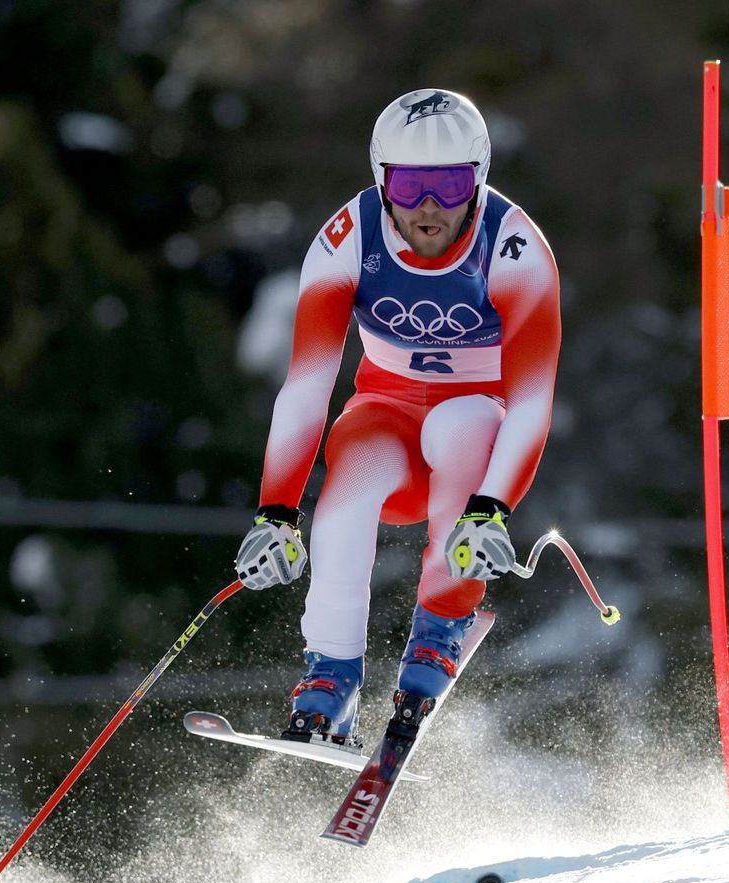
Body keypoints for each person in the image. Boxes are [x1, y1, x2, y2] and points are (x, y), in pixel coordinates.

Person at [233, 87, 562, 747]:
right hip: (386, 418)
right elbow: (305, 388)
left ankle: (441, 631)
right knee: (349, 486)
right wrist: (275, 512)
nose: (430, 207)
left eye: (448, 183)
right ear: (383, 178)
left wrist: (491, 507)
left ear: (478, 179)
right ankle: (329, 685)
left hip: (473, 438)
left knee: (464, 424)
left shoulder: (516, 249)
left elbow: (531, 401)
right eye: (411, 186)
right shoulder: (346, 240)